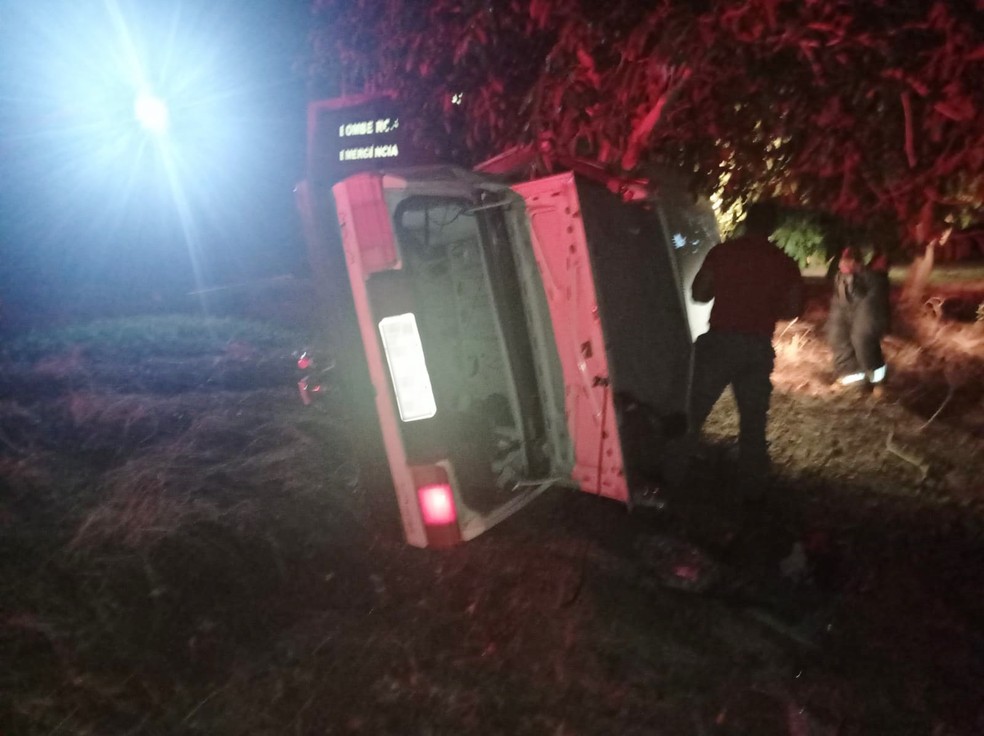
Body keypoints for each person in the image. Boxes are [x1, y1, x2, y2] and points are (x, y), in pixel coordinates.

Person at [674, 202, 805, 488]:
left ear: (746, 222)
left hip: (720, 343)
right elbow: (793, 309)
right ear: (773, 227)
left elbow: (699, 293)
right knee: (753, 422)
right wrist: (766, 308)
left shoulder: (723, 253)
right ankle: (753, 486)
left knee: (692, 413)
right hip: (757, 348)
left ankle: (672, 474)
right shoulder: (784, 263)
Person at [827, 245, 891, 397]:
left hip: (869, 292)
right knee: (837, 335)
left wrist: (861, 270)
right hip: (846, 293)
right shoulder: (841, 274)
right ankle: (851, 378)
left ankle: (878, 381)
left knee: (863, 338)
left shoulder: (874, 275)